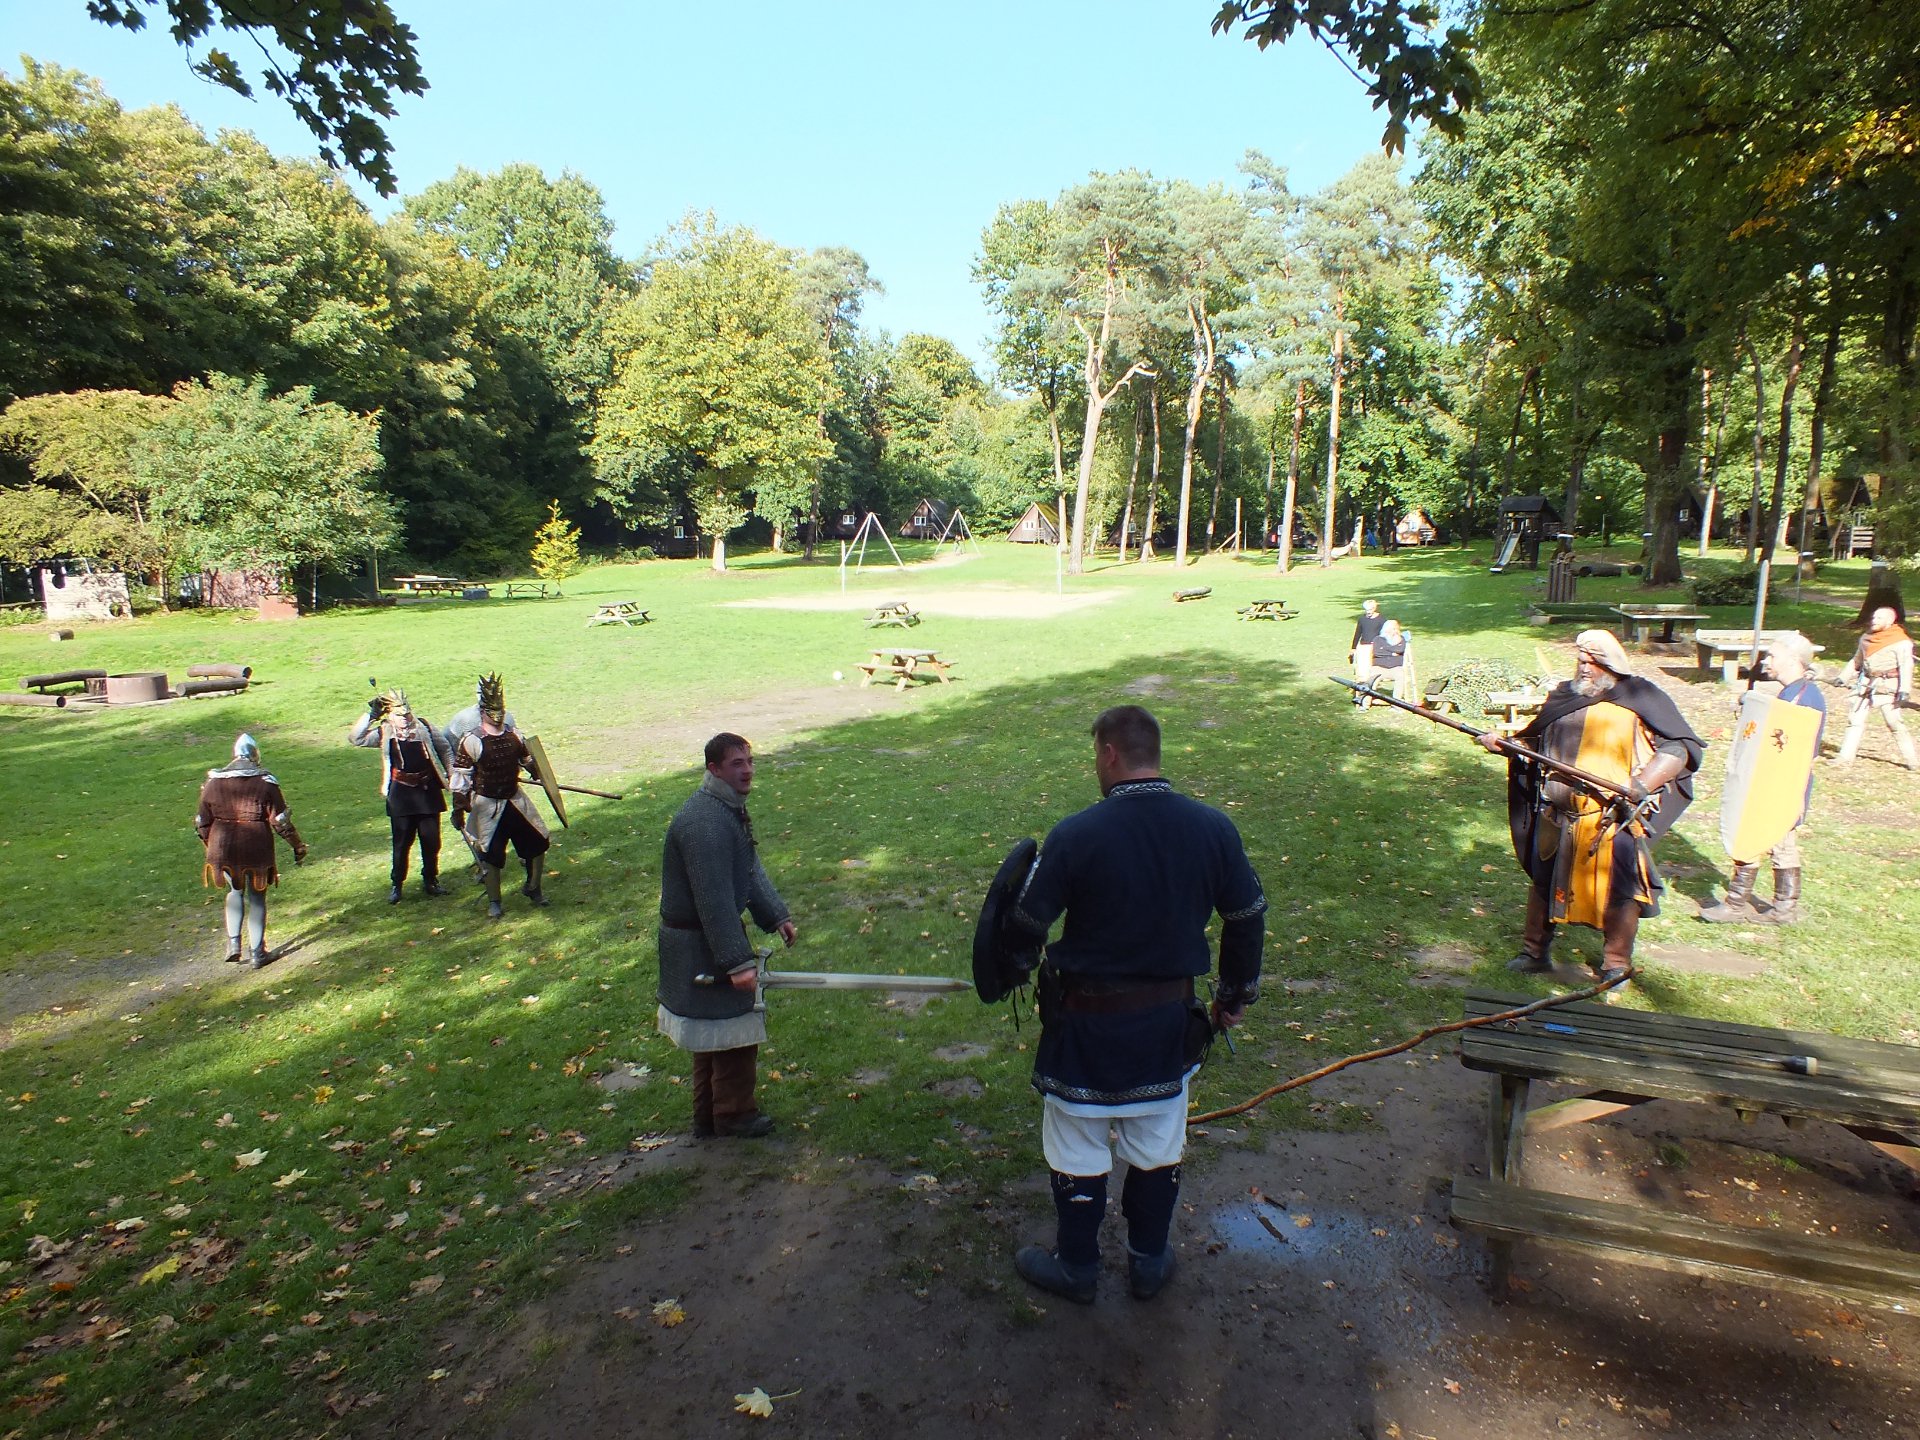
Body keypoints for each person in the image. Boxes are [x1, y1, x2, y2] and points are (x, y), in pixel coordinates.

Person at [1006, 705, 1265, 1305]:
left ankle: (1077, 1269)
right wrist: (1234, 997)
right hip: (1163, 1028)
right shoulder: (1213, 828)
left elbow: (1027, 921)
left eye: (1095, 755)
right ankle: (1148, 1263)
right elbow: (1247, 914)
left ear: (1109, 753)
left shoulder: (1077, 834)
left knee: (1077, 1143)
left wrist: (1014, 965)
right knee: (1156, 1142)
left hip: (1086, 1029)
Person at [1477, 630, 1702, 988]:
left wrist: (1641, 784)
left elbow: (1679, 748)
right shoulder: (1564, 696)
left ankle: (1616, 963)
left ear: (1611, 664)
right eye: (1581, 660)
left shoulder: (1641, 697)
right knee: (1544, 882)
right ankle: (1534, 953)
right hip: (1558, 813)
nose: (1584, 668)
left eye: (1592, 662)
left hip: (1611, 818)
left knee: (1621, 892)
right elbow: (1536, 741)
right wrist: (1506, 745)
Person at [655, 733, 797, 1139]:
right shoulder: (705, 823)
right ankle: (733, 1114)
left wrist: (775, 914)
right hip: (701, 943)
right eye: (737, 764)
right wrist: (737, 962)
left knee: (711, 1030)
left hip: (704, 939)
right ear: (714, 769)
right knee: (732, 1029)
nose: (748, 770)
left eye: (750, 761)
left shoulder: (723, 809)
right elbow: (714, 897)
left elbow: (746, 867)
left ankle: (709, 1116)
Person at [1700, 636, 1824, 925]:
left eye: (1772, 656)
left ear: (1793, 660)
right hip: (1778, 783)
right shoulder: (1795, 693)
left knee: (1756, 834)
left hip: (1782, 784)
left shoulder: (1802, 698)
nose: (1766, 661)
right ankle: (1783, 909)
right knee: (1780, 843)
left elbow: (1795, 749)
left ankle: (1739, 904)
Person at [195, 733, 307, 969]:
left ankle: (234, 944)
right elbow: (280, 821)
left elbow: (202, 822)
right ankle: (257, 952)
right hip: (256, 845)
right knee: (257, 898)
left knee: (235, 891)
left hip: (223, 846)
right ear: (255, 755)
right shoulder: (266, 782)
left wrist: (210, 846)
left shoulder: (213, 782)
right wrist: (297, 845)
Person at [454, 673, 552, 919]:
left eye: (500, 710)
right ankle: (495, 902)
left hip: (515, 800)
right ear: (482, 712)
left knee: (538, 841)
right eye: (492, 711)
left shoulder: (513, 735)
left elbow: (526, 758)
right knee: (491, 854)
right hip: (487, 804)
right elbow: (462, 775)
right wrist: (459, 806)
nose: (497, 716)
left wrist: (535, 770)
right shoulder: (472, 741)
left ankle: (533, 887)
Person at [349, 687, 453, 903]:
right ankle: (397, 884)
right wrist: (371, 715)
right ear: (390, 715)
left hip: (427, 791)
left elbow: (444, 749)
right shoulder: (385, 731)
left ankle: (431, 879)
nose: (404, 718)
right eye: (399, 715)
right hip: (401, 794)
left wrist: (452, 775)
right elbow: (356, 738)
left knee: (431, 840)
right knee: (402, 842)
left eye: (407, 714)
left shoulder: (424, 727)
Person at [1835, 606, 1916, 770]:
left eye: (1879, 618)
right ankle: (1844, 758)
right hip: (1865, 684)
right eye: (1874, 617)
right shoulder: (1866, 638)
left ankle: (1914, 761)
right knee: (1854, 721)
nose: (1874, 621)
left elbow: (1906, 665)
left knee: (1894, 723)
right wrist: (1843, 676)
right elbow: (1857, 660)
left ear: (1890, 621)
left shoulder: (1901, 642)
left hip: (1887, 686)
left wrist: (1904, 690)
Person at [1355, 618, 1412, 707]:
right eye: (1392, 629)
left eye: (1395, 628)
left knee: (1400, 676)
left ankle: (1396, 704)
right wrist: (1392, 653)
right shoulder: (1378, 639)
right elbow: (1378, 652)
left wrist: (1385, 649)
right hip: (1379, 667)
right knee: (1372, 680)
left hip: (1395, 667)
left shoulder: (1402, 639)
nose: (1394, 631)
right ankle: (1365, 704)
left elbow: (1400, 649)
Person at [1349, 599, 1387, 701]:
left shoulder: (1381, 619)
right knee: (1362, 670)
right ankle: (1363, 690)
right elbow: (1357, 633)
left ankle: (1371, 688)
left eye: (1370, 610)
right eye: (1366, 610)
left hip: (1375, 647)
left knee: (1371, 669)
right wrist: (1353, 648)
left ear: (1374, 608)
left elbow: (1384, 635)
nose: (1368, 612)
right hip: (1363, 646)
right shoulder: (1362, 619)